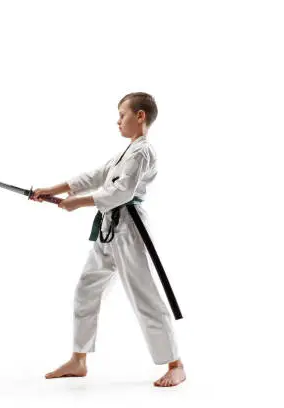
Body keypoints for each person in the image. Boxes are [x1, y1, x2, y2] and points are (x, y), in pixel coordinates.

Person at [31, 92, 186, 387]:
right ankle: (78, 360)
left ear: (140, 116)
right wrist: (54, 189)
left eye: (122, 115)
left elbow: (121, 192)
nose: (118, 121)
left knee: (145, 297)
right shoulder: (125, 152)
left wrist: (76, 203)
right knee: (86, 289)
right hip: (109, 229)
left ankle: (176, 365)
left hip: (130, 230)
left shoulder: (143, 152)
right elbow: (97, 175)